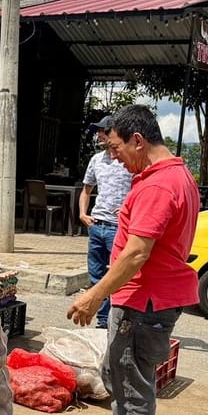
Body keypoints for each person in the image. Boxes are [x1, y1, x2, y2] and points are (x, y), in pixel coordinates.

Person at [66, 104, 200, 415]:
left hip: (144, 301)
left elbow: (136, 253)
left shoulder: (159, 185)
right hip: (148, 298)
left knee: (132, 383)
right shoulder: (176, 174)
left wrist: (94, 295)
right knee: (117, 373)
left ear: (138, 141)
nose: (116, 160)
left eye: (118, 149)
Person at [78, 116, 133, 328]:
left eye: (103, 130)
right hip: (96, 224)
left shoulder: (127, 160)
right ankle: (102, 322)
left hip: (118, 227)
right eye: (98, 131)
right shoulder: (96, 160)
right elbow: (86, 190)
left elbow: (140, 187)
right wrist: (83, 214)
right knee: (96, 275)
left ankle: (116, 321)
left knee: (116, 277)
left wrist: (130, 208)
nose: (99, 134)